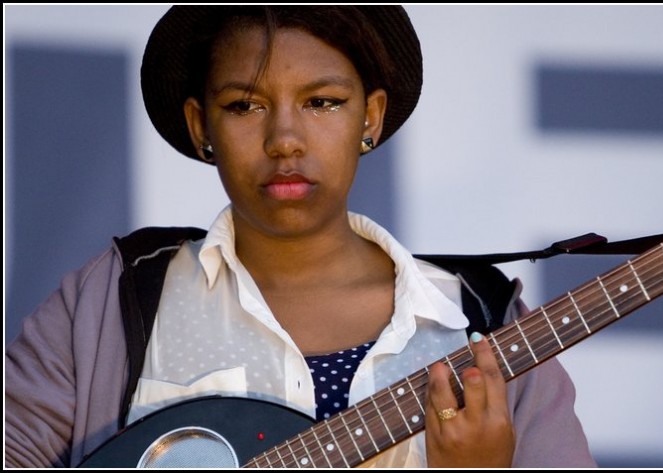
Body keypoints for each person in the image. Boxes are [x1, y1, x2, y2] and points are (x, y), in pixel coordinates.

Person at [5, 5, 596, 468]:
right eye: (244, 105)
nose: (284, 138)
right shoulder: (120, 297)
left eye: (322, 102)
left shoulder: (481, 321)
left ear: (370, 116)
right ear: (199, 125)